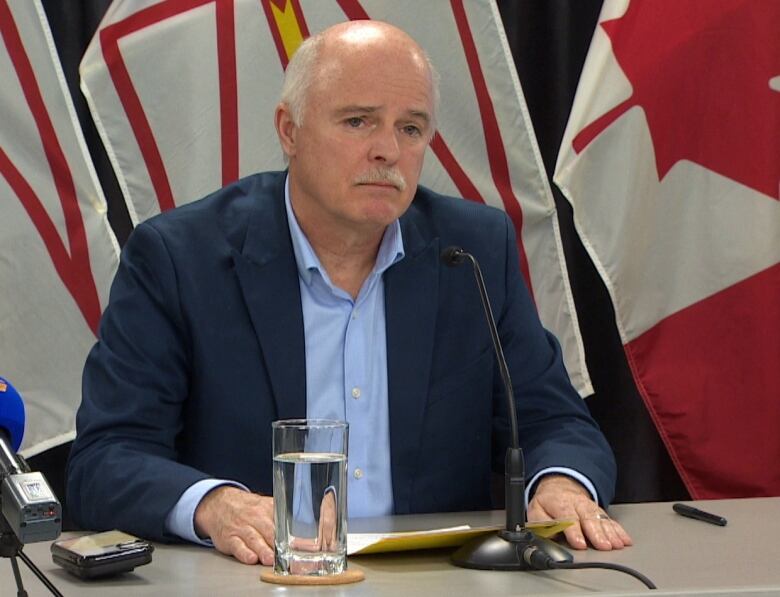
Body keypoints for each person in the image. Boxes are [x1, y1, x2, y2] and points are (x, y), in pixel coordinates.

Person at [67, 20, 632, 566]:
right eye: (359, 121)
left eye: (410, 128)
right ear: (289, 130)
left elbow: (554, 423)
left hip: (434, 584)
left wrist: (560, 483)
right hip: (253, 578)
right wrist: (216, 506)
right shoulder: (179, 258)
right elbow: (105, 460)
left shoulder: (470, 252)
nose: (388, 150)